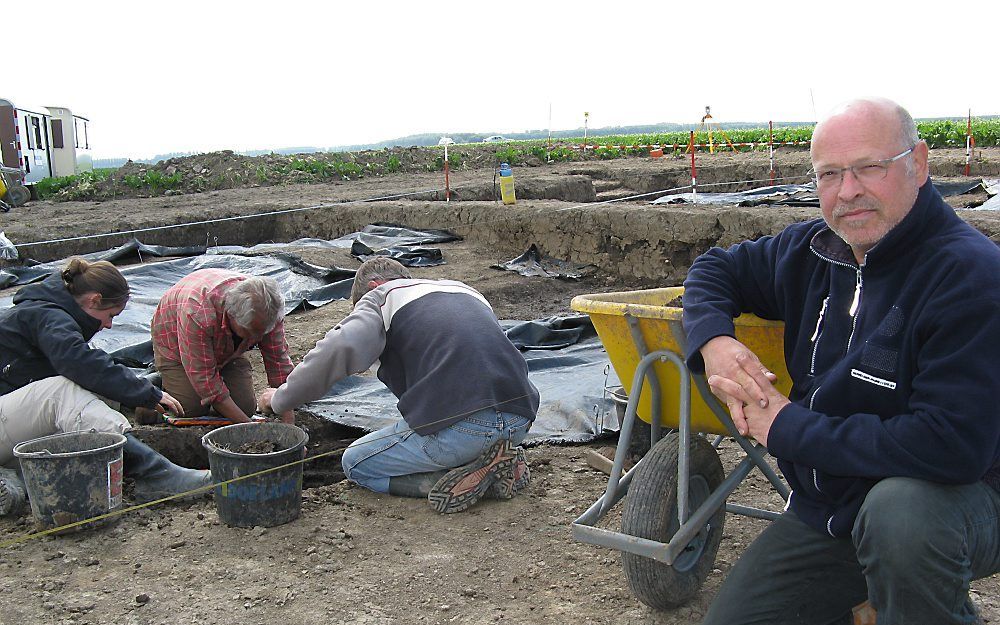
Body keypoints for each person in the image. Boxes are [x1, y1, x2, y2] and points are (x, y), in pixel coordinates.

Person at [683, 98, 1000, 625]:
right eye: (829, 174)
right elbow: (715, 269)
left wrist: (786, 426)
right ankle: (881, 598)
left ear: (918, 165)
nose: (847, 191)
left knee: (902, 520)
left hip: (962, 500)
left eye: (868, 167)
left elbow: (950, 448)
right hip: (834, 511)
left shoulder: (970, 277)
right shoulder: (814, 250)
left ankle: (922, 596)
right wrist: (715, 341)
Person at [258, 257, 538, 514]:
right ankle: (492, 462)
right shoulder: (463, 290)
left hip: (465, 431)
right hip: (519, 421)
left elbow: (338, 348)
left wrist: (280, 399)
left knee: (356, 463)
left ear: (374, 286)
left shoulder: (383, 297)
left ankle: (461, 481)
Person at [0, 258, 213, 518]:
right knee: (61, 392)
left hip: (8, 419)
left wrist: (136, 386)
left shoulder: (50, 311)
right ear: (93, 300)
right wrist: (145, 393)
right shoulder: (48, 316)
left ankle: (15, 478)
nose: (110, 325)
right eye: (110, 315)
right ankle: (154, 474)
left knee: (77, 396)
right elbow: (80, 363)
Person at [148, 269, 295, 424]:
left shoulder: (269, 311)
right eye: (250, 333)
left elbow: (278, 364)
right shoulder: (198, 313)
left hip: (225, 349)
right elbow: (206, 382)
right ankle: (153, 388)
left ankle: (221, 366)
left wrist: (290, 425)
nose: (258, 340)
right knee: (189, 408)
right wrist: (250, 427)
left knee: (244, 407)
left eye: (262, 334)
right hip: (175, 345)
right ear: (232, 316)